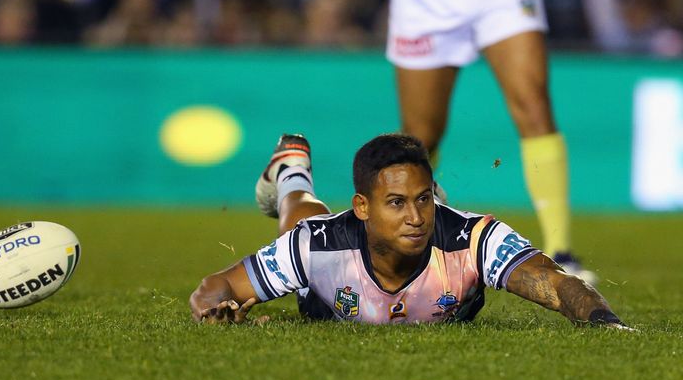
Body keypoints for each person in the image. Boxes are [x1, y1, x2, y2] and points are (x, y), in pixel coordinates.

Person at [190, 133, 630, 329]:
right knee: (302, 222)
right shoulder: (317, 247)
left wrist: (604, 323)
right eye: (397, 203)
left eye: (423, 199)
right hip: (320, 253)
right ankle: (290, 173)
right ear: (362, 207)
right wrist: (216, 312)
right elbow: (214, 287)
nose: (417, 218)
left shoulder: (474, 239)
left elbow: (559, 285)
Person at [385, 0, 597, 283]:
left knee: (534, 105)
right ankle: (413, 240)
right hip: (426, 1)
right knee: (422, 136)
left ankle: (560, 253)